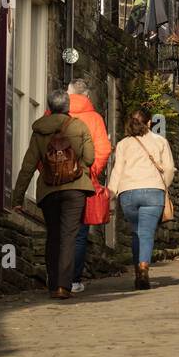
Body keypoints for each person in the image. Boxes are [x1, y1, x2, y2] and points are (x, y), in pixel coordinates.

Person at [10, 90, 96, 299]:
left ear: (50, 106)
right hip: (75, 189)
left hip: (48, 189)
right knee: (69, 236)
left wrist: (17, 198)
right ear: (67, 106)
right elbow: (91, 158)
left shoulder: (39, 130)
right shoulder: (79, 126)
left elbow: (28, 166)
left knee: (53, 236)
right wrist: (78, 169)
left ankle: (53, 284)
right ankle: (63, 287)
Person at [107, 108, 175, 290]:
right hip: (153, 191)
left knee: (137, 232)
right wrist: (163, 185)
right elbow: (169, 169)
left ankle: (138, 272)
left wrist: (111, 195)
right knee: (146, 233)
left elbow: (117, 171)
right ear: (149, 123)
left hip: (128, 193)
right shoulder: (160, 141)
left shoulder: (123, 144)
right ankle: (144, 269)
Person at [66, 78, 112, 293]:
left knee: (59, 231)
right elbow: (103, 150)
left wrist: (48, 172)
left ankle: (56, 279)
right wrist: (91, 172)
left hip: (55, 182)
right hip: (83, 182)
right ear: (87, 96)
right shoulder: (94, 118)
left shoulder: (54, 114)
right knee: (79, 234)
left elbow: (40, 148)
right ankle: (73, 281)